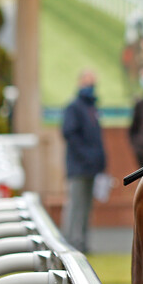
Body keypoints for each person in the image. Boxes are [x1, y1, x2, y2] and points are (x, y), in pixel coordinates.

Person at [61, 69, 106, 253]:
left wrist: (99, 162)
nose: (91, 86)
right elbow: (70, 135)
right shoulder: (74, 107)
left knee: (86, 208)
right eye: (88, 82)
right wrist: (87, 156)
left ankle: (82, 243)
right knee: (76, 206)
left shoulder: (92, 108)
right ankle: (70, 243)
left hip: (91, 167)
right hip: (79, 166)